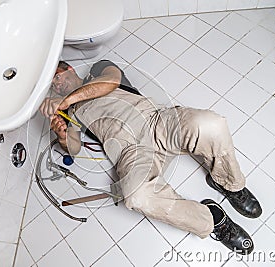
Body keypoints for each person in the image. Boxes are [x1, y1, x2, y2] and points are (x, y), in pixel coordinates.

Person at [39, 60, 262, 254]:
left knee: (211, 125)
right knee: (136, 197)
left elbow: (111, 82)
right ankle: (212, 220)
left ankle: (228, 182)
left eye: (56, 77)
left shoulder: (98, 70)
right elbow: (74, 148)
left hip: (157, 122)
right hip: (131, 152)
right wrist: (62, 134)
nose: (57, 86)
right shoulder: (68, 112)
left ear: (68, 68)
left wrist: (65, 101)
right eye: (53, 86)